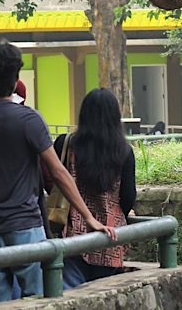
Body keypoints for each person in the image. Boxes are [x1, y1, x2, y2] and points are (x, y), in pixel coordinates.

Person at [0, 42, 116, 304]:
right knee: (37, 300)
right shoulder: (28, 119)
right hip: (26, 226)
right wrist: (89, 218)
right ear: (15, 80)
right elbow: (58, 172)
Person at [56, 88, 136, 289]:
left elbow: (53, 182)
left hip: (72, 234)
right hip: (110, 237)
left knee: (72, 295)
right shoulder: (124, 152)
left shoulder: (65, 144)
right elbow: (128, 197)